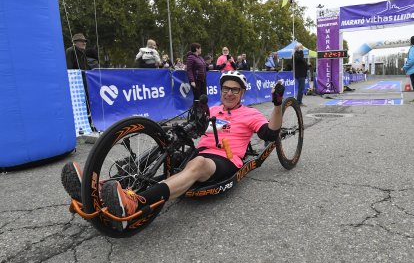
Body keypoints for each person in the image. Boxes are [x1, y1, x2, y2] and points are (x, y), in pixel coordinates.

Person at [61, 71, 285, 231]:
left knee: (196, 165)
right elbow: (194, 127)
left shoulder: (250, 114)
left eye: (234, 90)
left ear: (242, 93)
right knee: (169, 146)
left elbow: (270, 134)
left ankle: (134, 203)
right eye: (226, 88)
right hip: (200, 152)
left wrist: (277, 105)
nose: (229, 93)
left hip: (225, 159)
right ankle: (98, 188)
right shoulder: (213, 109)